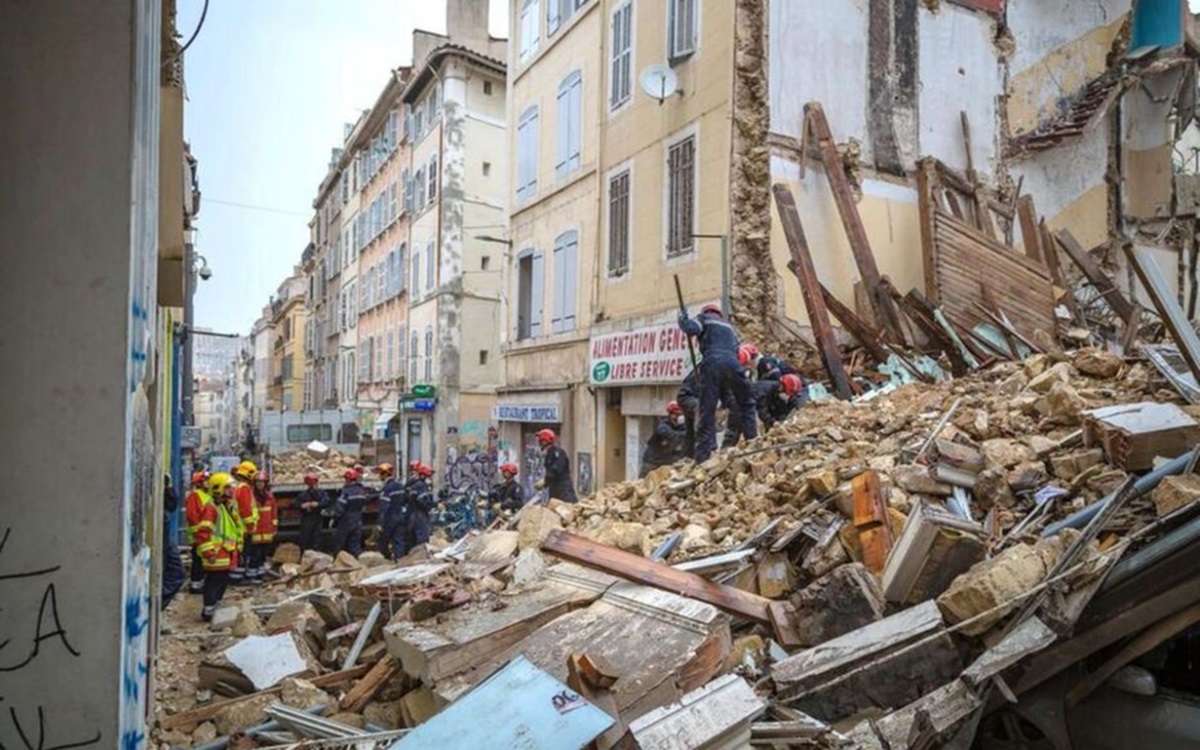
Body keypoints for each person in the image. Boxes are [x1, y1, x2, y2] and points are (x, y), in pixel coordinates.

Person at [678, 304, 758, 462]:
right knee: (747, 403)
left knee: (707, 410)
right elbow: (736, 349)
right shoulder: (730, 327)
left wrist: (683, 318)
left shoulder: (705, 319)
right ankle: (753, 443)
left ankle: (703, 457)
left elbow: (690, 328)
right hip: (733, 364)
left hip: (712, 362)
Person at [195, 472, 241, 622]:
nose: (231, 490)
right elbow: (203, 532)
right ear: (218, 489)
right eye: (227, 488)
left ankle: (214, 610)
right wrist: (209, 552)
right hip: (215, 555)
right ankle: (208, 611)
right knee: (214, 582)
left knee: (221, 582)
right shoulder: (212, 508)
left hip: (224, 554)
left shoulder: (224, 506)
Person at [230, 460, 260, 584]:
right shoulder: (244, 488)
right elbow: (246, 509)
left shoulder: (234, 486)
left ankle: (235, 576)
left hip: (236, 525)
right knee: (243, 552)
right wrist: (250, 526)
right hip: (243, 527)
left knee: (238, 551)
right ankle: (237, 578)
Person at [639, 401, 688, 477]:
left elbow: (687, 436)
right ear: (671, 415)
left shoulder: (681, 427)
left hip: (667, 461)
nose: (680, 417)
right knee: (643, 482)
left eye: (681, 414)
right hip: (652, 462)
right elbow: (672, 436)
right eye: (677, 414)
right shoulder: (663, 426)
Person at [399, 462, 436, 557]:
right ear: (423, 475)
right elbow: (423, 501)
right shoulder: (421, 485)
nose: (430, 479)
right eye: (428, 476)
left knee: (411, 539)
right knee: (422, 539)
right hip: (420, 515)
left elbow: (405, 498)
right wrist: (431, 506)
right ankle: (421, 558)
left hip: (411, 514)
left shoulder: (412, 485)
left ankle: (409, 557)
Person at [247, 471, 278, 582]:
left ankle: (260, 575)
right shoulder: (251, 496)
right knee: (255, 554)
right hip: (256, 531)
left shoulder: (270, 496)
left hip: (266, 531)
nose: (260, 484)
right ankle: (252, 575)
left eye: (262, 482)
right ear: (254, 483)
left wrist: (274, 528)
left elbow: (273, 513)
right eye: (258, 482)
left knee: (263, 555)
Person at [184, 470, 211, 593]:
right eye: (206, 480)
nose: (208, 482)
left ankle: (200, 583)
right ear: (199, 483)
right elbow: (192, 516)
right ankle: (195, 585)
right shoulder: (195, 495)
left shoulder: (207, 495)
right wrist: (198, 533)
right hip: (198, 536)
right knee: (198, 561)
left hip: (205, 535)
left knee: (202, 561)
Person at [161, 474, 185, 609]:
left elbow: (171, 504)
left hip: (165, 538)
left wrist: (168, 487)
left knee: (177, 574)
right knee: (174, 574)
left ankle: (158, 606)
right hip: (161, 540)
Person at [333, 468, 371, 556]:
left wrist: (335, 519)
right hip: (357, 519)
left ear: (348, 479)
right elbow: (365, 501)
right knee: (355, 543)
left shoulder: (346, 491)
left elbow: (340, 507)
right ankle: (359, 561)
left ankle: (338, 563)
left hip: (346, 519)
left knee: (340, 543)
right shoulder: (361, 490)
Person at [376, 463, 408, 560]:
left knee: (383, 540)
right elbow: (405, 499)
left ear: (385, 474)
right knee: (399, 540)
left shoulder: (387, 488)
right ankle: (399, 561)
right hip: (401, 516)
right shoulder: (400, 485)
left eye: (381, 473)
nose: (379, 476)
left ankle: (384, 561)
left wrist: (380, 523)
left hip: (390, 518)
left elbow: (384, 507)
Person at [534, 429, 576, 502]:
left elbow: (556, 470)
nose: (539, 442)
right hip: (555, 491)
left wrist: (545, 481)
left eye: (540, 440)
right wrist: (546, 483)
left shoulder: (558, 453)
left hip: (563, 492)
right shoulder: (549, 454)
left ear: (545, 440)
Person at [296, 473, 328, 553]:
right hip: (307, 518)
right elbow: (296, 504)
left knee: (316, 538)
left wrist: (318, 504)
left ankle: (316, 554)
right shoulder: (303, 495)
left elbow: (326, 502)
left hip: (317, 517)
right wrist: (302, 506)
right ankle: (306, 554)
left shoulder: (321, 493)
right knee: (306, 538)